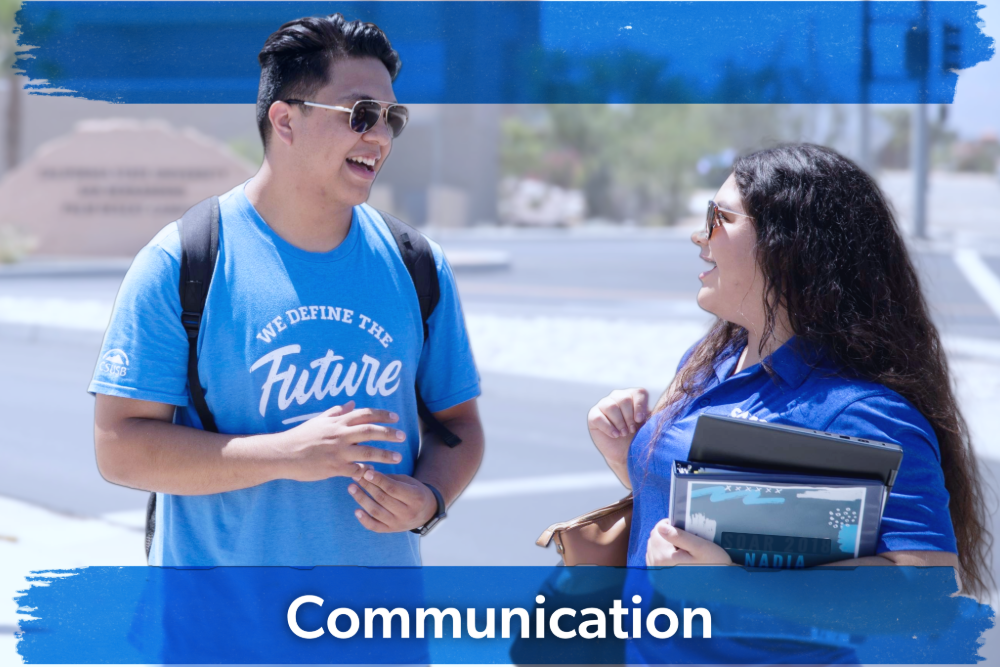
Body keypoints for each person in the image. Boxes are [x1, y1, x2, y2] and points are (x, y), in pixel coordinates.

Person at [90, 14, 484, 567]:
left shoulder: (416, 263)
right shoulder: (183, 260)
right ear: (285, 120)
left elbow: (458, 427)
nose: (379, 136)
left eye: (391, 117)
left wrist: (429, 498)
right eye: (360, 114)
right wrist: (284, 454)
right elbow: (120, 448)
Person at [587, 144, 992, 661]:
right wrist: (632, 458)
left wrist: (734, 588)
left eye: (719, 218)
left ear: (787, 244)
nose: (698, 236)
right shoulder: (713, 357)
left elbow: (923, 601)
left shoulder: (863, 411)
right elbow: (711, 515)